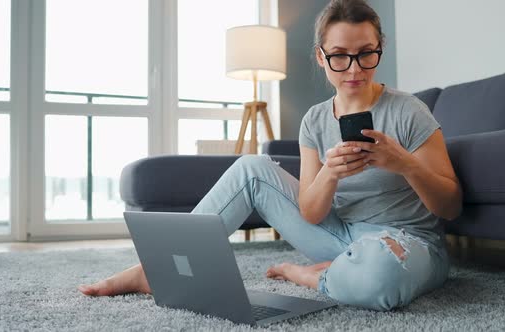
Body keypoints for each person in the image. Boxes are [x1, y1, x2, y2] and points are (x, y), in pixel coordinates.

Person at [78, 0, 462, 311]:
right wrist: (329, 173)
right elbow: (311, 213)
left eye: (366, 54)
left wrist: (405, 164)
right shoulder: (314, 120)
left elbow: (450, 207)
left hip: (406, 241)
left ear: (380, 50)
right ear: (320, 56)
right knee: (250, 168)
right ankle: (155, 268)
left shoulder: (408, 111)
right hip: (339, 235)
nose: (354, 69)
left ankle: (314, 276)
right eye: (340, 56)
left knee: (380, 282)